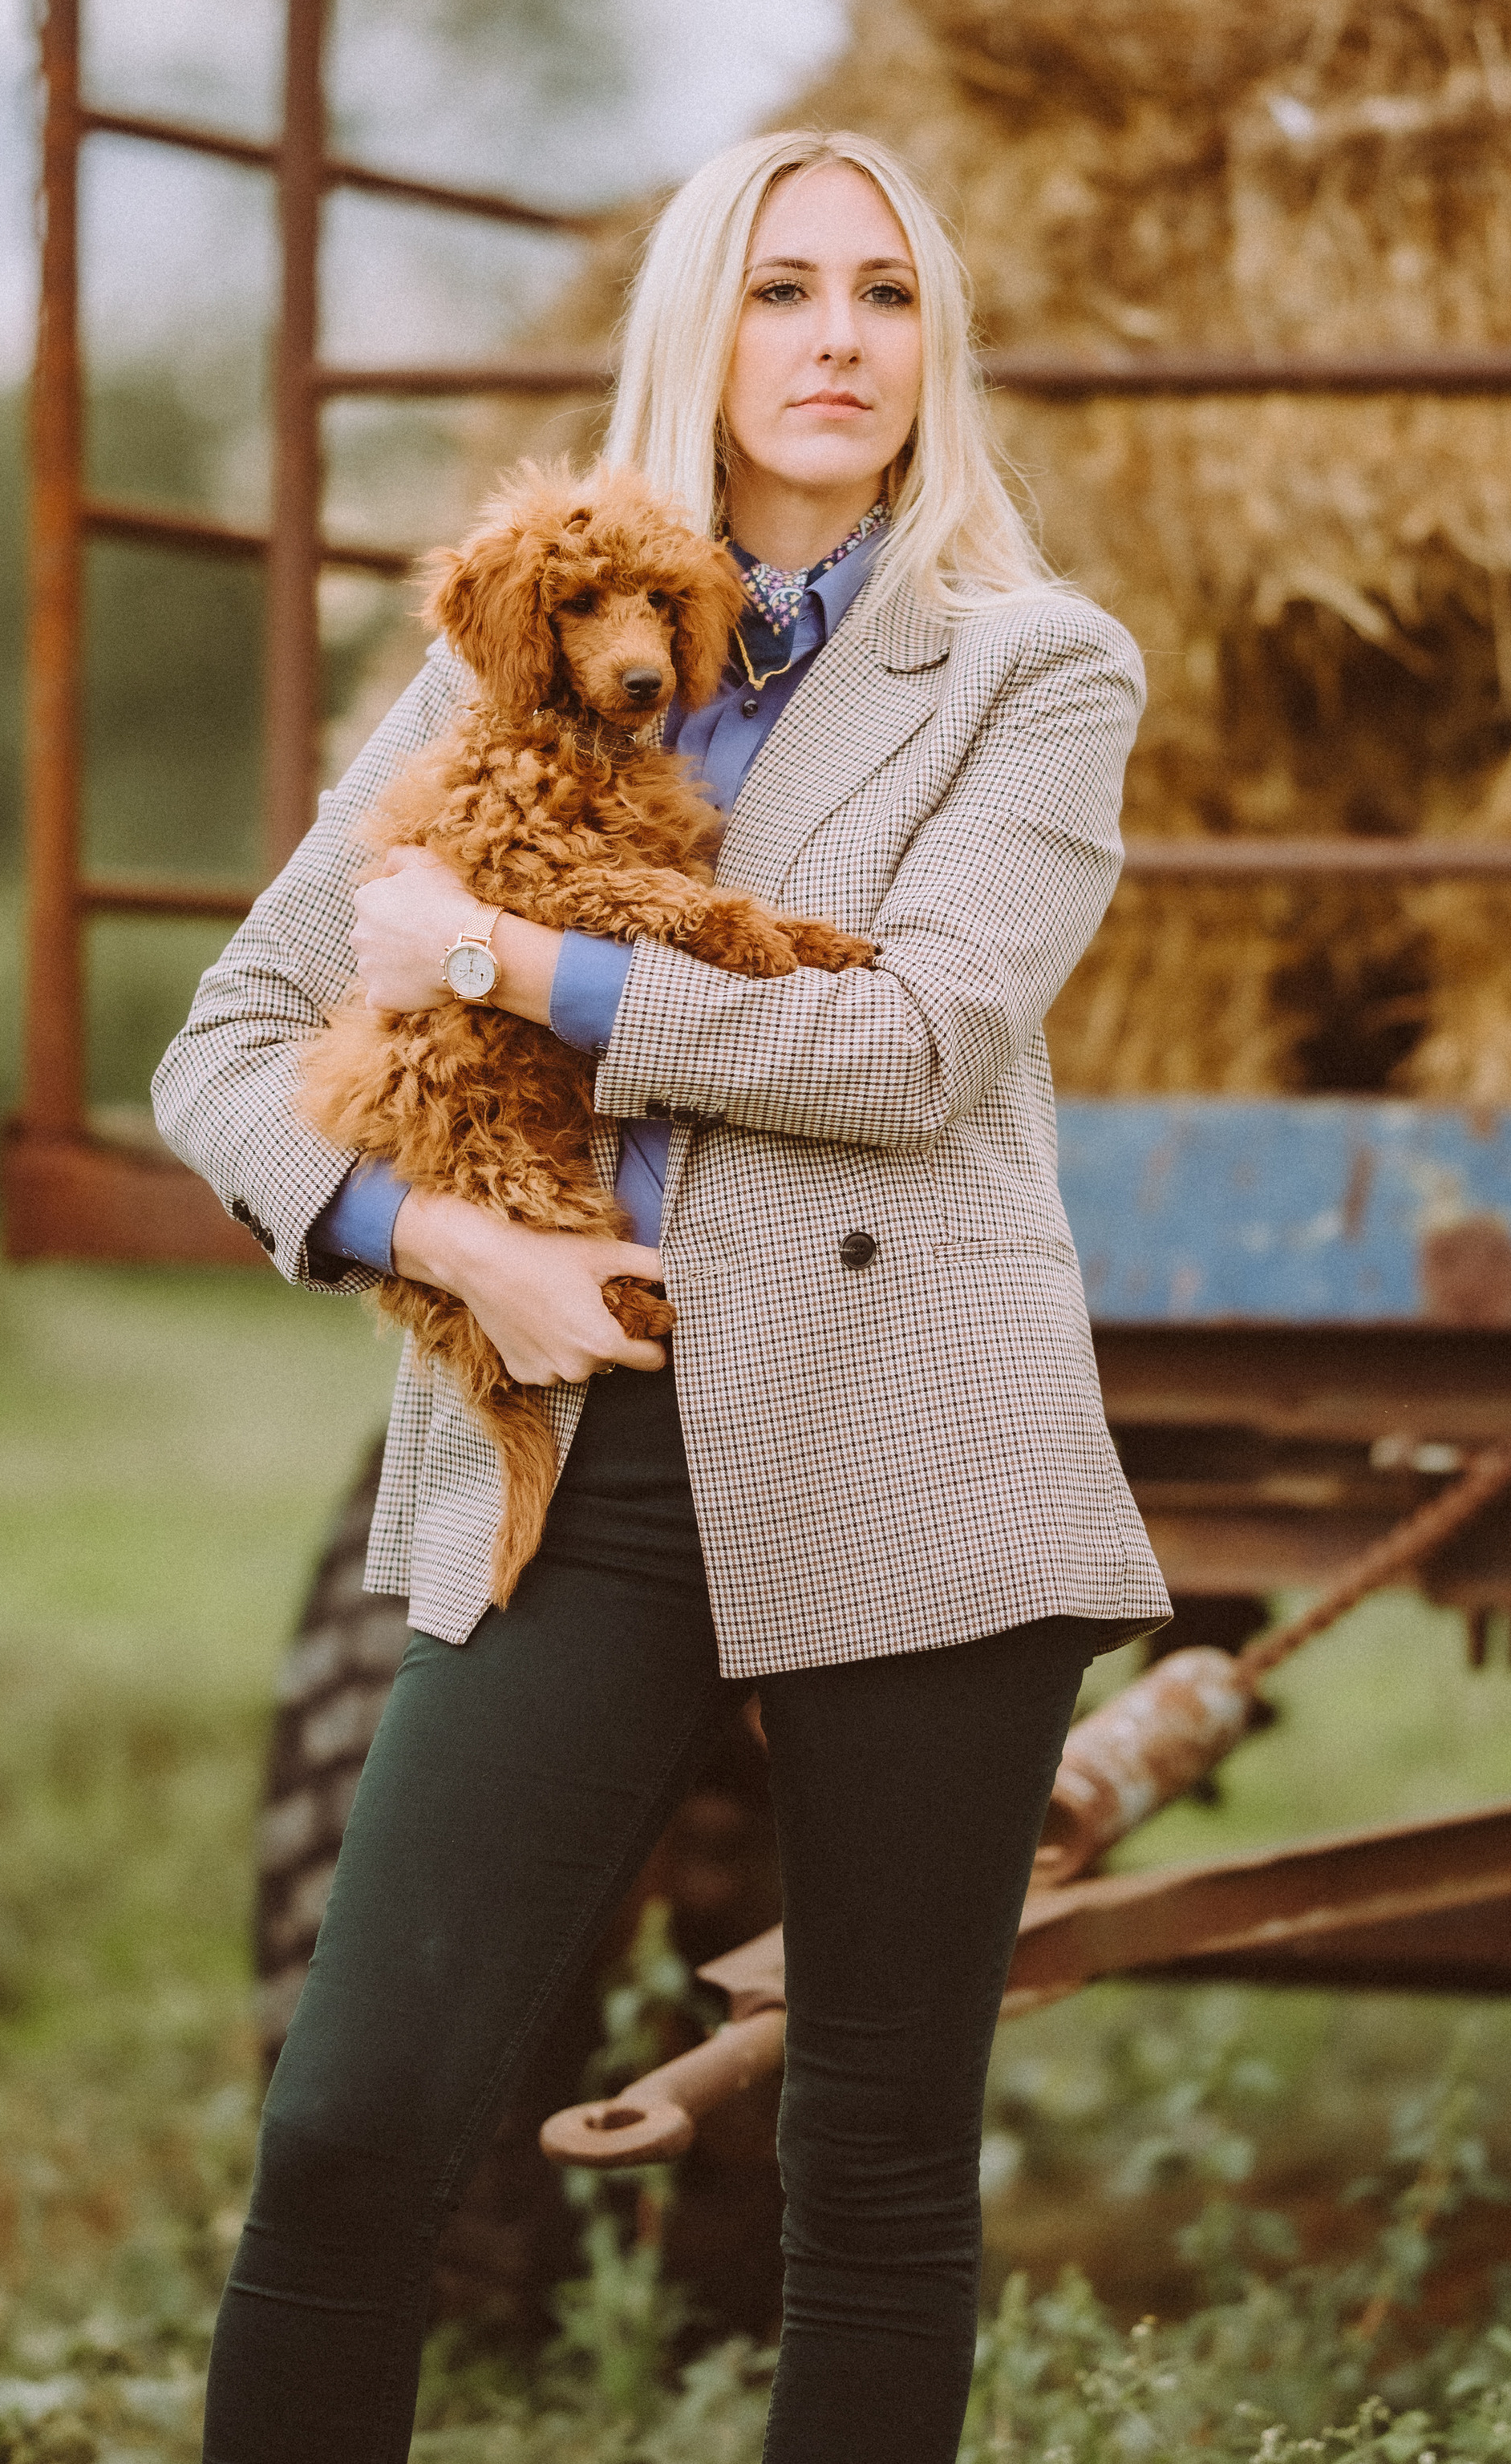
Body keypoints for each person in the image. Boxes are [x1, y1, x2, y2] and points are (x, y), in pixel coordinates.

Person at [154, 127, 1170, 2464]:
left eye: (888, 296)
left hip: (920, 1453)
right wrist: (449, 1246)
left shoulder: (1036, 667)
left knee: (872, 2160)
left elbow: (915, 1043)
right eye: (783, 288)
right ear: (696, 330)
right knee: (351, 2125)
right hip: (579, 1457)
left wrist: (510, 964)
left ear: (939, 350)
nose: (838, 340)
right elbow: (224, 1047)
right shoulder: (496, 661)